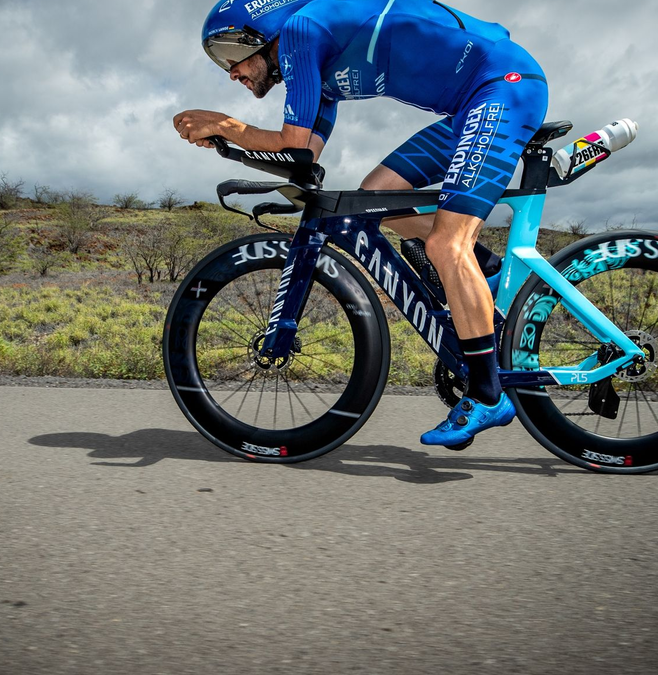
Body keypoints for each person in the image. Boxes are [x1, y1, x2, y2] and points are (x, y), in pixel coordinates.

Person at [173, 0, 548, 447]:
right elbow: (301, 156)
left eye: (230, 53)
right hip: (473, 103)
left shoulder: (301, 31)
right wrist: (227, 142)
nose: (230, 72)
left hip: (503, 88)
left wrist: (226, 124)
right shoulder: (314, 70)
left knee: (447, 246)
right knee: (376, 197)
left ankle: (487, 394)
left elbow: (291, 143)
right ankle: (486, 273)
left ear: (262, 33)